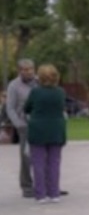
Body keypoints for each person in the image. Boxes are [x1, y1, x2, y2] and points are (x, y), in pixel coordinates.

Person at [23, 63, 67, 203]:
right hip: (56, 130)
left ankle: (40, 194)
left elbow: (27, 108)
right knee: (54, 162)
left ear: (39, 77)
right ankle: (54, 193)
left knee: (38, 162)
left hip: (38, 130)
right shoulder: (60, 92)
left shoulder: (35, 92)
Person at [6, 58, 37, 198]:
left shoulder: (40, 82)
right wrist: (18, 124)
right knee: (26, 157)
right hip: (24, 125)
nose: (28, 72)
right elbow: (10, 108)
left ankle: (47, 184)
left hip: (40, 124)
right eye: (25, 69)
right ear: (19, 71)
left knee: (44, 155)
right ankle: (27, 187)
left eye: (30, 69)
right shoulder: (14, 85)